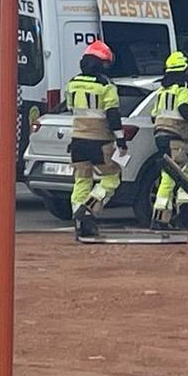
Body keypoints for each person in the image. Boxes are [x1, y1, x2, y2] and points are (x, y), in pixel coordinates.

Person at [67, 41, 128, 238]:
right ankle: (89, 209)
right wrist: (120, 139)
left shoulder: (73, 83)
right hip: (100, 141)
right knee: (112, 178)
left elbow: (70, 108)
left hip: (77, 140)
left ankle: (79, 222)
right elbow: (112, 114)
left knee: (81, 181)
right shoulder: (106, 86)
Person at [150, 51, 188, 231]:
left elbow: (155, 116)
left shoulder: (162, 92)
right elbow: (184, 109)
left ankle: (182, 215)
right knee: (171, 177)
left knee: (185, 174)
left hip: (161, 137)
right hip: (174, 139)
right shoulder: (183, 91)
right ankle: (163, 219)